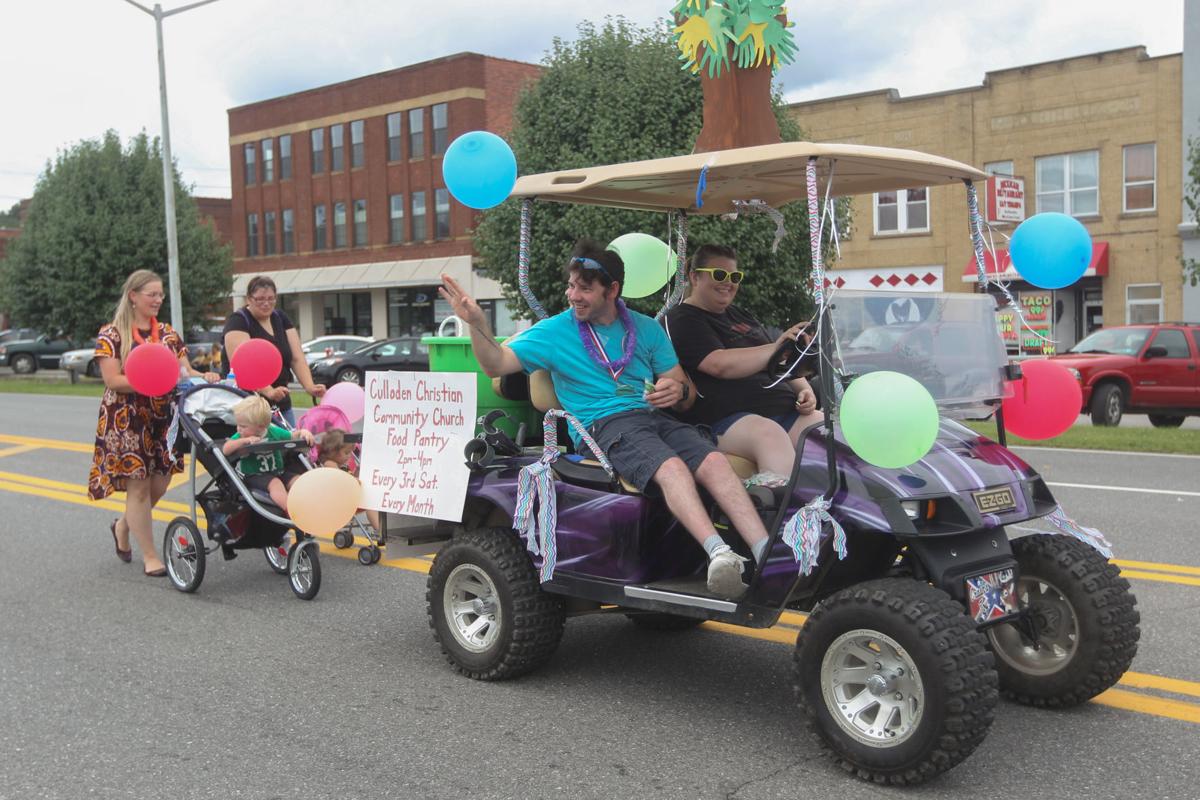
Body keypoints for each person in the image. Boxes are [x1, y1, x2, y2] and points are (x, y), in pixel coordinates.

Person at [439, 240, 773, 599]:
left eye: (584, 287)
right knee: (672, 468)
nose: (572, 295)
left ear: (612, 290)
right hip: (603, 426)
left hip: (652, 417)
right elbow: (497, 364)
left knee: (714, 462)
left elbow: (683, 387)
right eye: (571, 285)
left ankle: (767, 553)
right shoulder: (555, 331)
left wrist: (676, 390)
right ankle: (719, 554)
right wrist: (476, 324)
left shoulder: (645, 329)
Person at [88, 269, 221, 576]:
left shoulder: (168, 334)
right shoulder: (112, 335)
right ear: (133, 296)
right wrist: (153, 381)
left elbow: (184, 371)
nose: (158, 300)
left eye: (161, 294)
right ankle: (150, 556)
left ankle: (123, 526)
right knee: (139, 490)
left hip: (164, 418)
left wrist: (205, 376)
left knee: (160, 484)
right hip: (127, 419)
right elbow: (113, 379)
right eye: (152, 294)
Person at [665, 244, 823, 480]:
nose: (728, 282)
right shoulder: (682, 319)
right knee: (768, 435)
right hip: (723, 420)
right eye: (719, 274)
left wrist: (804, 389)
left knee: (828, 430)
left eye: (734, 276)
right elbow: (719, 364)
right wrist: (776, 347)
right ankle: (783, 514)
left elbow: (778, 360)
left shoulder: (741, 315)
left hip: (782, 409)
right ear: (695, 277)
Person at [222, 276, 326, 427]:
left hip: (281, 402)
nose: (266, 303)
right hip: (249, 406)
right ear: (249, 299)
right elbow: (242, 364)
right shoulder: (238, 321)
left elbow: (296, 358)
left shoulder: (281, 318)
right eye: (260, 299)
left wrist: (310, 386)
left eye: (271, 299)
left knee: (290, 445)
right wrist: (269, 391)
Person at [222, 395, 314, 515]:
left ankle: (307, 506)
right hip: (255, 475)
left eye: (243, 426)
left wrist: (303, 432)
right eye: (238, 425)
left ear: (261, 426)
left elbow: (291, 436)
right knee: (275, 484)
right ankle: (291, 511)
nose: (239, 429)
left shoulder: (273, 431)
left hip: (278, 471)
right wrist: (244, 441)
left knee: (298, 480)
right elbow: (226, 449)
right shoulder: (241, 436)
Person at [317, 428, 381, 534]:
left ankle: (382, 527)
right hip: (339, 502)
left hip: (349, 497)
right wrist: (356, 480)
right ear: (333, 452)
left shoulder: (342, 465)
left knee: (374, 498)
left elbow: (350, 479)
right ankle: (380, 530)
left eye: (350, 452)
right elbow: (343, 481)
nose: (349, 455)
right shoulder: (330, 464)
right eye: (346, 452)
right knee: (371, 502)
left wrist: (358, 471)